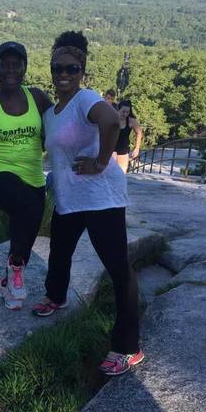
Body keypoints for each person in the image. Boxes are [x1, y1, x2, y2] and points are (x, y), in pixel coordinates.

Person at [33, 30, 144, 377]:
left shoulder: (85, 99)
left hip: (101, 199)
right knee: (59, 252)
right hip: (70, 198)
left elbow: (111, 121)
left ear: (82, 70)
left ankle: (128, 347)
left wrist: (100, 161)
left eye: (72, 68)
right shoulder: (52, 112)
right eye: (57, 68)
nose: (63, 74)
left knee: (118, 268)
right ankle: (56, 297)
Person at [0, 42, 52, 310]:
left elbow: (57, 125)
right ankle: (16, 266)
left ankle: (10, 279)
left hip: (34, 176)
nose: (10, 69)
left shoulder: (37, 98)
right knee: (27, 208)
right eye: (4, 64)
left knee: (28, 226)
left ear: (24, 67)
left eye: (16, 64)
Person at [113, 99, 142, 173]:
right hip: (110, 149)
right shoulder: (112, 119)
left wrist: (137, 148)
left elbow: (139, 133)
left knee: (121, 174)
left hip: (123, 150)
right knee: (110, 173)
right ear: (118, 110)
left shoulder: (131, 121)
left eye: (127, 112)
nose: (125, 114)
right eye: (123, 112)